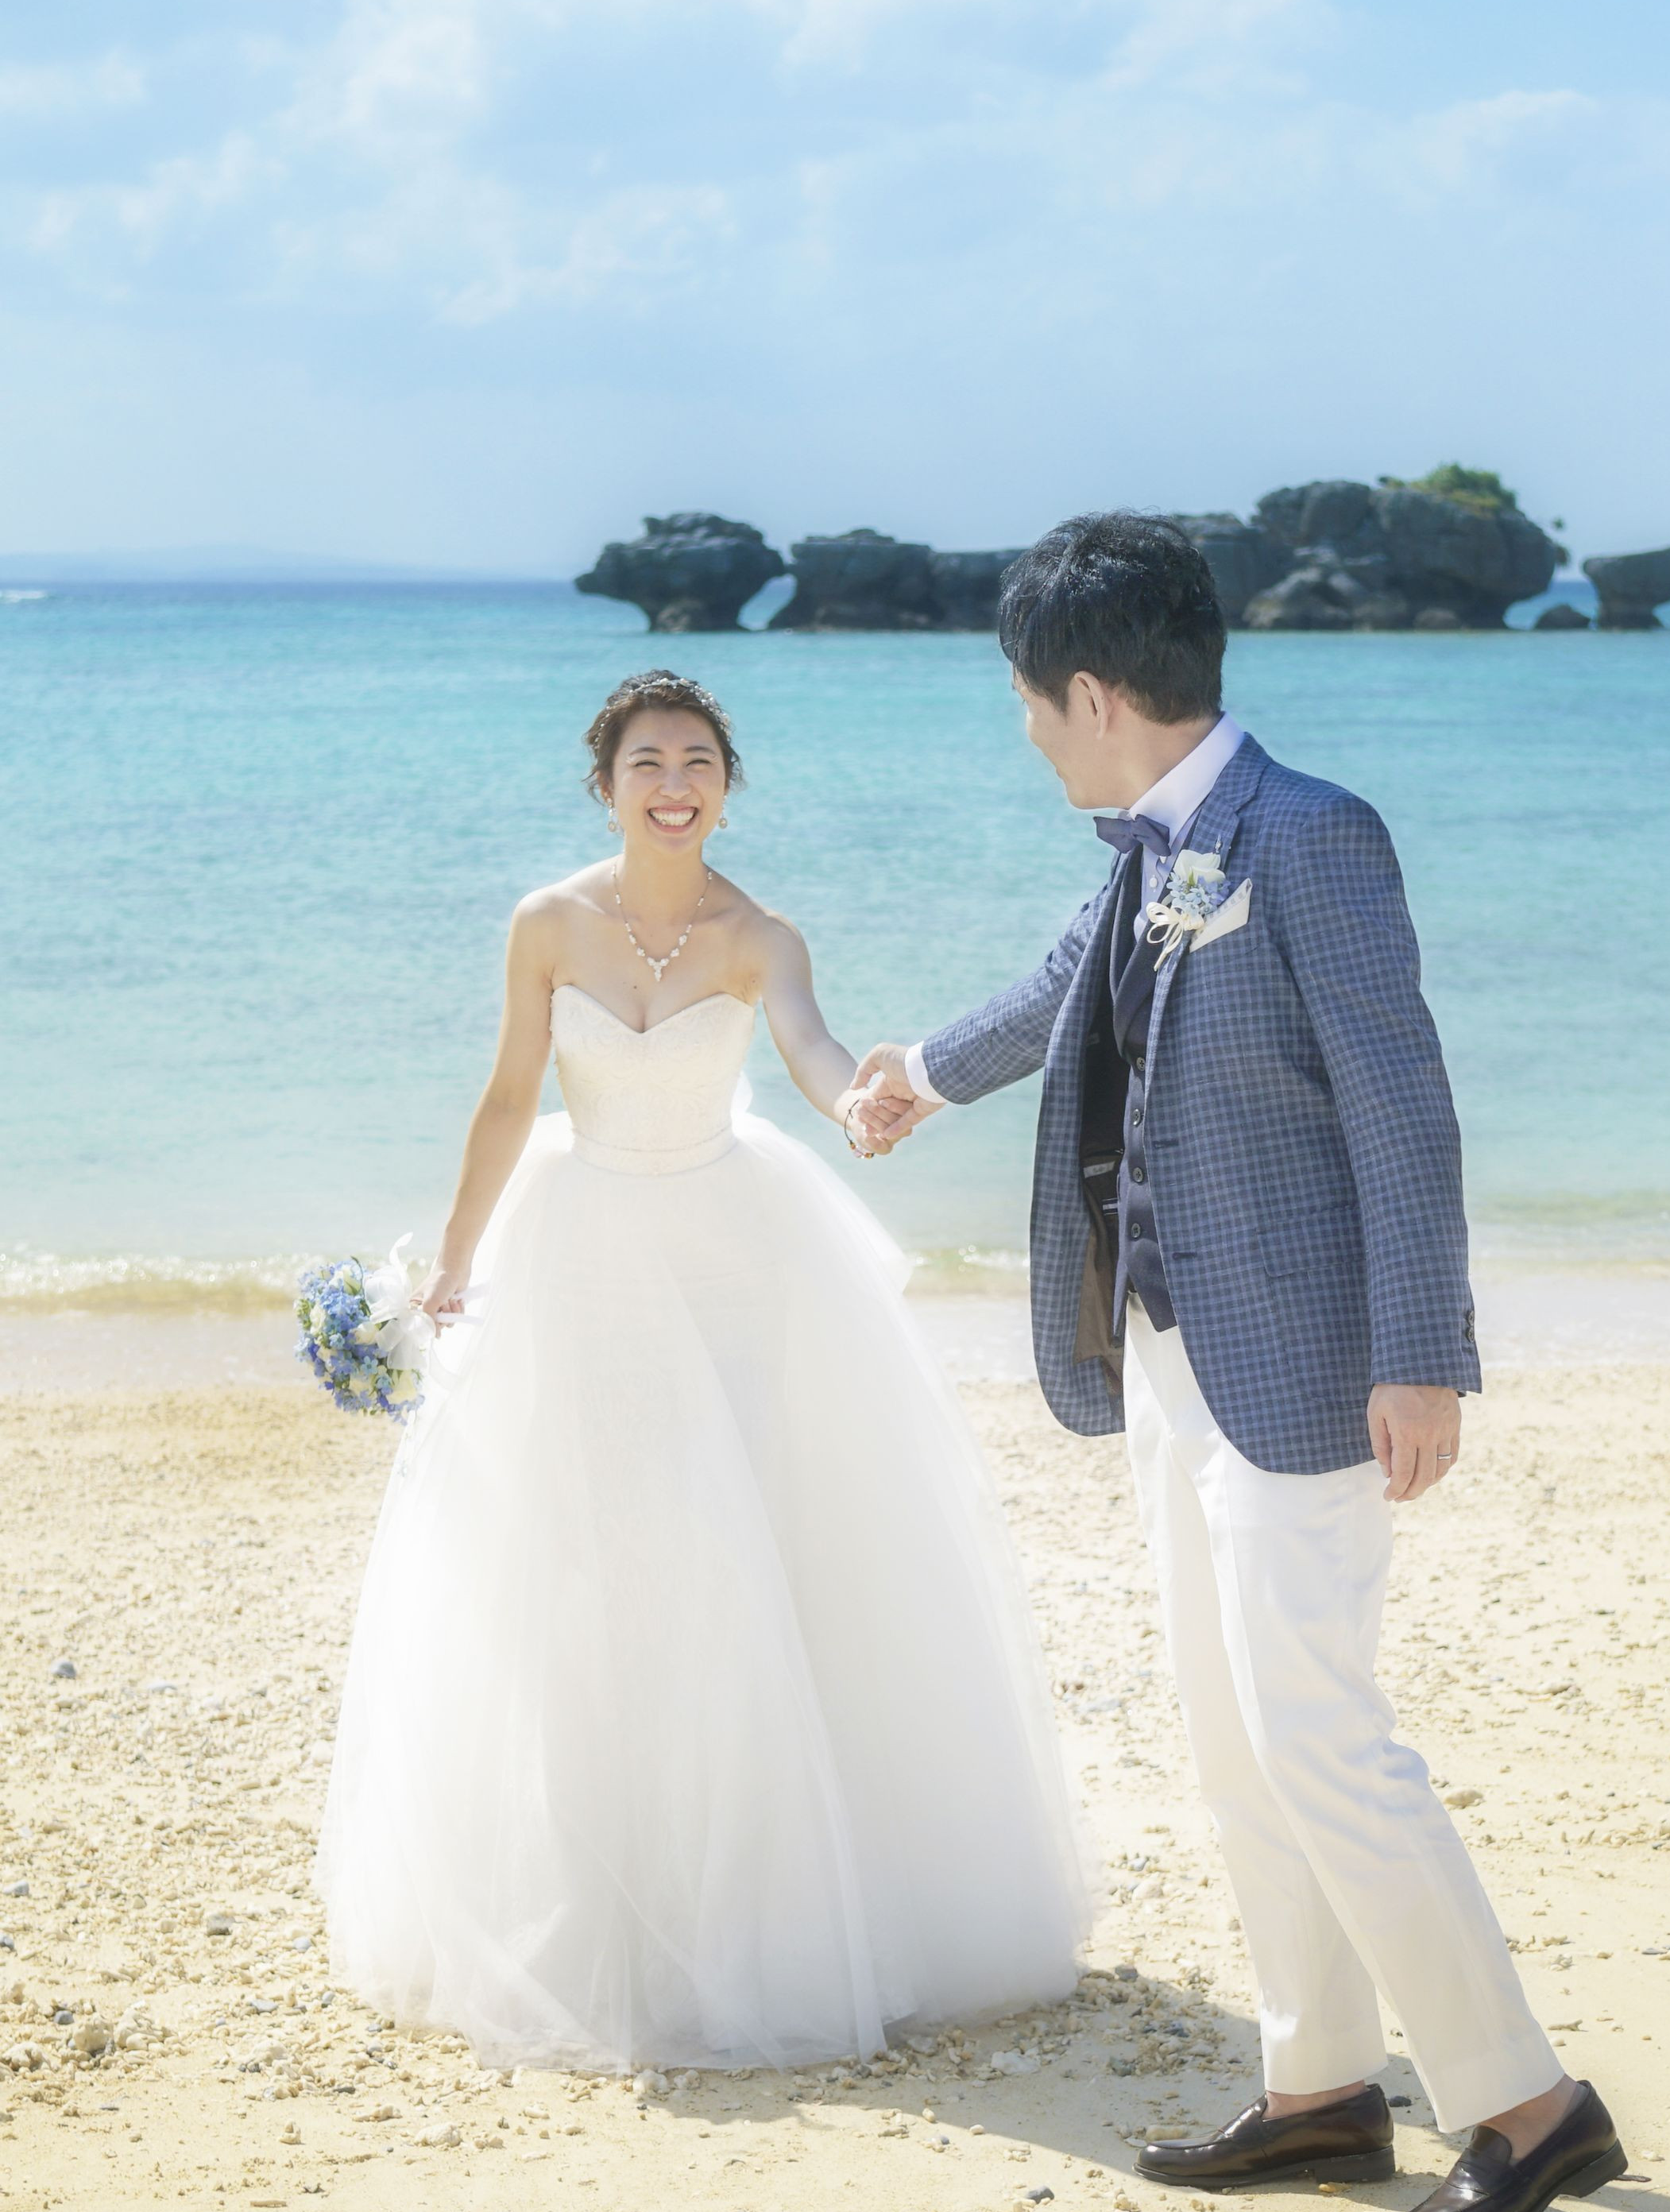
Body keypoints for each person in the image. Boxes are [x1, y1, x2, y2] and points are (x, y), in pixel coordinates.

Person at [852, 513, 1624, 2212]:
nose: (1024, 733)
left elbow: (1404, 1108)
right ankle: (1320, 2084)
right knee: (1229, 1734)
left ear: (1094, 695)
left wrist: (1420, 1353)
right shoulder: (1153, 847)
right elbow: (1063, 988)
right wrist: (919, 1075)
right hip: (1170, 1347)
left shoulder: (1310, 833)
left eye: (1027, 703)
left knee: (1317, 1733)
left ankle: (1524, 2103)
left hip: (1310, 1367)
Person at [315, 670, 1089, 2076]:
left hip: (732, 1258)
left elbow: (811, 1049)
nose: (673, 784)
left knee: (734, 1541)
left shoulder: (760, 933)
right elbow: (509, 1094)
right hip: (578, 1253)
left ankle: (761, 1907)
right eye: (647, 762)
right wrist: (454, 1258)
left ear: (726, 788)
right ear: (605, 784)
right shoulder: (545, 923)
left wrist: (863, 1100)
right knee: (586, 1553)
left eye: (698, 762)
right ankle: (603, 1895)